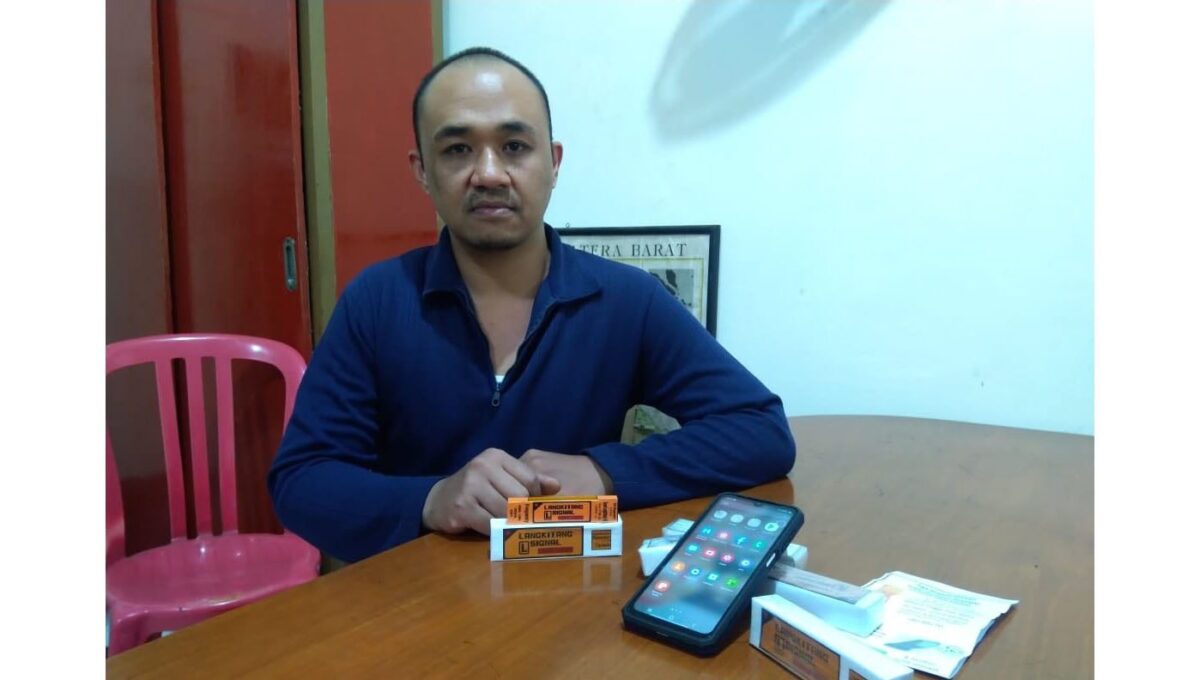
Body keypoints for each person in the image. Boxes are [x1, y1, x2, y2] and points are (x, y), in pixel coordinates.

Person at [268, 47, 795, 563]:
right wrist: (431, 499)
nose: (489, 173)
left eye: (515, 146)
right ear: (422, 170)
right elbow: (301, 481)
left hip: (572, 594)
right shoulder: (377, 301)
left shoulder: (625, 300)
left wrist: (604, 471)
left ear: (554, 162)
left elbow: (759, 429)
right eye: (457, 150)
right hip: (415, 598)